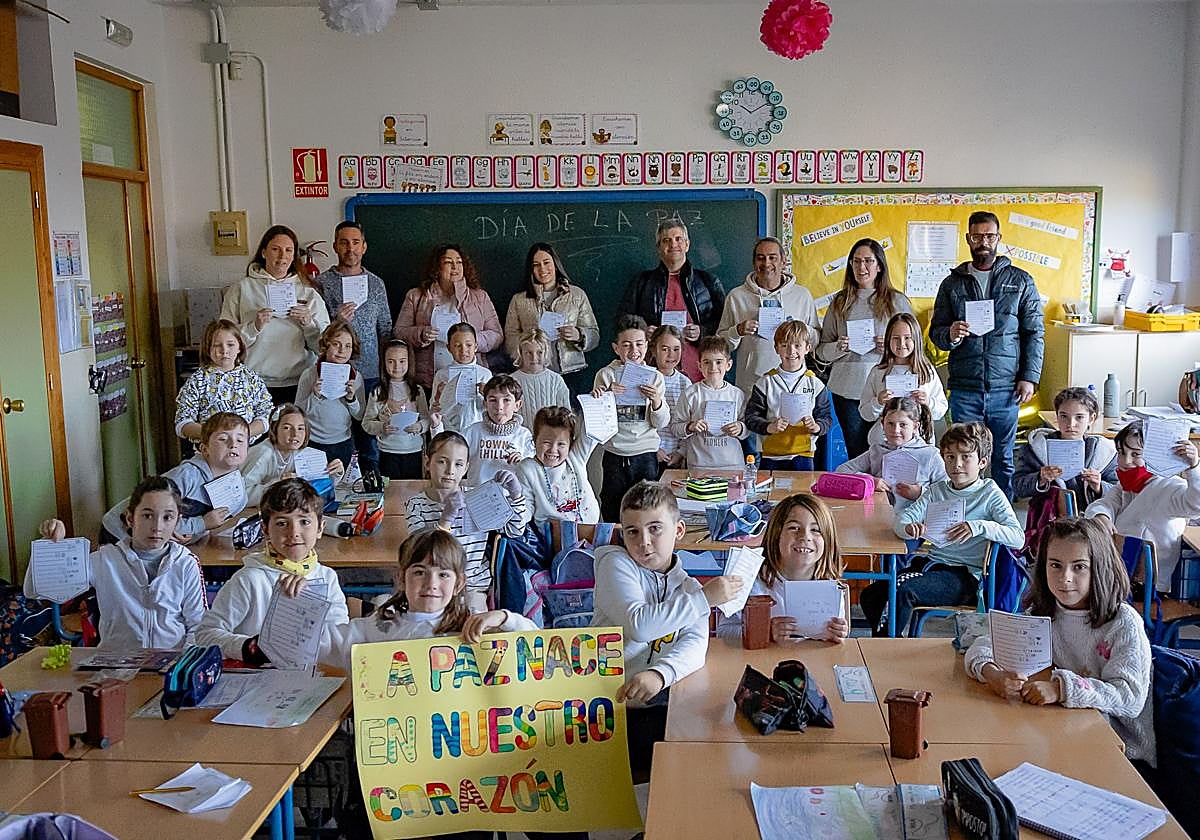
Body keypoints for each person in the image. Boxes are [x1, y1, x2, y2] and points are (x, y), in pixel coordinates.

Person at [964, 517, 1153, 766]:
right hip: (1063, 733)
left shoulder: (1122, 622)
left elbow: (1129, 698)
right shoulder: (1045, 613)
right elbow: (984, 644)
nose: (1065, 577)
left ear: (1100, 567)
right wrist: (993, 675)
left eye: (1079, 567)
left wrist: (1061, 689)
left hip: (1119, 750)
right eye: (1055, 565)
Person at [593, 480, 743, 783]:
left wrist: (660, 674)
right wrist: (705, 599)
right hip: (607, 709)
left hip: (658, 699)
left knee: (721, 730)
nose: (644, 542)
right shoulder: (615, 564)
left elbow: (695, 644)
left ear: (679, 530)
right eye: (632, 532)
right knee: (692, 751)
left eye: (655, 528)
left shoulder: (686, 586)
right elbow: (640, 625)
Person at [861, 422, 1023, 636]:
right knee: (871, 595)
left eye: (966, 457)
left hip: (966, 576)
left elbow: (1017, 537)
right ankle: (889, 639)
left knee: (902, 589)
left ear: (982, 462)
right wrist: (908, 529)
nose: (957, 465)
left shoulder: (990, 493)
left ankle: (885, 646)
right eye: (950, 457)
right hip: (931, 565)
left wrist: (978, 527)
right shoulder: (937, 490)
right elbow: (902, 519)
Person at [930, 211, 1045, 499]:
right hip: (964, 387)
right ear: (968, 239)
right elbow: (936, 333)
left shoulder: (1020, 281)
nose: (984, 242)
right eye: (978, 236)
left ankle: (1001, 525)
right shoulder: (952, 283)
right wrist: (951, 335)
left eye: (990, 236)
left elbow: (1034, 333)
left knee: (1003, 460)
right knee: (962, 460)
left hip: (1007, 388)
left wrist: (1029, 377)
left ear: (999, 239)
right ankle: (963, 518)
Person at [29, 477, 206, 650]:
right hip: (115, 663)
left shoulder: (186, 563)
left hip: (170, 664)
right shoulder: (104, 560)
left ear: (178, 521)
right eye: (147, 515)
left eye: (167, 517)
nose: (157, 526)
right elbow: (36, 590)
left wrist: (184, 665)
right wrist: (49, 544)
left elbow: (198, 625)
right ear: (130, 518)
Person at [321, 528, 535, 671]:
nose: (431, 583)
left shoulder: (470, 626)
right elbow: (323, 646)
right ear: (401, 578)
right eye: (419, 572)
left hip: (459, 734)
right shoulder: (380, 626)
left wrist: (503, 618)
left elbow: (537, 646)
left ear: (458, 584)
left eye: (443, 575)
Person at [196, 478, 350, 664]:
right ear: (265, 530)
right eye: (282, 523)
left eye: (304, 521)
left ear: (320, 528)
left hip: (311, 676)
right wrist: (249, 647)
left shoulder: (327, 577)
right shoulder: (250, 579)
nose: (294, 532)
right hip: (254, 680)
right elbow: (205, 635)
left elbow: (338, 636)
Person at [401, 431, 529, 613]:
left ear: (466, 467)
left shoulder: (476, 497)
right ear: (427, 462)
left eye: (458, 464)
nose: (450, 470)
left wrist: (516, 496)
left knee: (475, 623)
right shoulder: (416, 505)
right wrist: (445, 519)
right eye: (442, 461)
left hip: (472, 584)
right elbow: (420, 550)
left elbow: (515, 531)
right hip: (432, 584)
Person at [816, 238, 913, 459]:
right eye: (856, 261)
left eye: (868, 261)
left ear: (879, 266)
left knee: (891, 451)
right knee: (858, 453)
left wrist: (889, 347)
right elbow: (821, 351)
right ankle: (864, 493)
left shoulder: (896, 301)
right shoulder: (840, 302)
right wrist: (839, 347)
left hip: (887, 390)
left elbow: (912, 347)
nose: (862, 267)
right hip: (847, 390)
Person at [315, 221, 394, 477]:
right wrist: (334, 319)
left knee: (368, 440)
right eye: (344, 242)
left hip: (369, 373)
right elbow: (313, 329)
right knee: (333, 438)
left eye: (356, 242)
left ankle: (371, 490)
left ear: (364, 246)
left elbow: (385, 328)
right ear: (335, 246)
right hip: (331, 372)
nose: (351, 248)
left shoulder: (376, 283)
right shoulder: (322, 283)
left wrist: (386, 372)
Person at [715, 493, 849, 643]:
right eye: (794, 528)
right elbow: (723, 631)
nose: (805, 536)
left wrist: (839, 633)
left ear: (828, 540)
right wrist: (765, 632)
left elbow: (834, 642)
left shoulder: (829, 585)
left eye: (816, 530)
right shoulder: (749, 581)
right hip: (761, 663)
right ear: (776, 534)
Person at [220, 225, 331, 405]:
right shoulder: (241, 289)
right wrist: (253, 327)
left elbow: (324, 348)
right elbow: (223, 342)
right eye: (275, 249)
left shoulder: (308, 292)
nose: (282, 257)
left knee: (292, 432)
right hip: (253, 383)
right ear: (264, 252)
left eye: (288, 250)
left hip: (299, 383)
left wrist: (308, 324)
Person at [1084, 419, 1200, 590]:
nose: (1125, 461)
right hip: (1118, 573)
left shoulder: (1170, 487)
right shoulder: (1127, 484)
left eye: (1136, 454)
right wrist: (1102, 516)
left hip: (1145, 586)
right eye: (1121, 452)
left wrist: (1194, 467)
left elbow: (1195, 505)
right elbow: (1105, 503)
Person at [101, 412, 249, 544]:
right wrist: (200, 524)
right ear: (204, 449)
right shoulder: (187, 475)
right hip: (121, 533)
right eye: (223, 439)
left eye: (240, 440)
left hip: (158, 539)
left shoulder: (238, 492)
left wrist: (194, 531)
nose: (233, 444)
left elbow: (203, 526)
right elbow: (153, 515)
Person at [622, 220, 726, 381]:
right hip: (653, 368)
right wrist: (643, 330)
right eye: (666, 240)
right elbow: (623, 319)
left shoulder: (708, 281)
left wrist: (702, 331)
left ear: (687, 244)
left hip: (700, 370)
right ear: (658, 248)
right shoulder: (641, 282)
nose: (673, 244)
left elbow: (725, 323)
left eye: (678, 239)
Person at [717, 236, 819, 397]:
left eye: (773, 258)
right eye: (760, 258)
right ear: (754, 263)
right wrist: (737, 331)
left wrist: (800, 328)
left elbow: (815, 340)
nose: (766, 264)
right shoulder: (736, 296)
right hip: (751, 384)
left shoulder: (802, 295)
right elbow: (721, 345)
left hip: (792, 383)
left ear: (783, 262)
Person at [591, 314, 669, 522]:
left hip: (645, 453)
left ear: (647, 345)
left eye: (639, 344)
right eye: (626, 345)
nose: (634, 351)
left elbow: (661, 423)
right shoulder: (606, 375)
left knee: (649, 510)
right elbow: (597, 424)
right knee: (612, 507)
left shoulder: (655, 376)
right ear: (616, 348)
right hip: (615, 453)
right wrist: (605, 396)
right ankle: (613, 551)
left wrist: (656, 401)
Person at [394, 244, 502, 391]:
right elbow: (399, 332)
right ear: (437, 268)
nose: (455, 267)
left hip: (471, 381)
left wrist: (471, 339)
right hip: (427, 380)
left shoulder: (480, 297)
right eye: (448, 262)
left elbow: (497, 335)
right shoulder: (416, 296)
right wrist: (421, 334)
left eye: (459, 262)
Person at [503, 242, 599, 394]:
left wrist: (579, 335)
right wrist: (527, 355)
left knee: (569, 416)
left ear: (555, 264)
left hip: (571, 372)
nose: (542, 269)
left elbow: (594, 333)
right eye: (536, 265)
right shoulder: (519, 300)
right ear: (531, 269)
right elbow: (510, 337)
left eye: (546, 262)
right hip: (532, 373)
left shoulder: (576, 295)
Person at [837, 396, 947, 515]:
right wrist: (871, 481)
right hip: (878, 516)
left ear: (915, 426)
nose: (895, 430)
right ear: (882, 424)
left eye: (903, 425)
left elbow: (947, 491)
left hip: (916, 521)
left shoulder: (930, 454)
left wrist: (920, 493)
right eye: (890, 423)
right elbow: (842, 470)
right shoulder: (877, 450)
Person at [745, 320, 832, 471]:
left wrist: (816, 426)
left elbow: (826, 418)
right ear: (776, 348)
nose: (791, 351)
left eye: (797, 345)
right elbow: (751, 417)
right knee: (772, 494)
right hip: (771, 455)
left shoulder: (815, 384)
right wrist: (769, 427)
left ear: (807, 348)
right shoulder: (765, 382)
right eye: (784, 345)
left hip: (804, 455)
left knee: (801, 493)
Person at [1013, 386, 1117, 507]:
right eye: (1064, 416)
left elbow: (1120, 492)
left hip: (1090, 520)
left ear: (1091, 418)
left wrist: (1099, 486)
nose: (1071, 424)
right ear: (1057, 416)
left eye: (1079, 417)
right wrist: (1040, 478)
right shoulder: (1037, 448)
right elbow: (1018, 487)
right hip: (1049, 520)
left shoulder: (1103, 452)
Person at [174, 319, 271, 443]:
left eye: (230, 345)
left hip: (247, 450)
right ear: (207, 349)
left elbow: (265, 415)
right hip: (209, 451)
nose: (224, 350)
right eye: (216, 345)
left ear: (239, 347)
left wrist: (242, 435)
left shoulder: (251, 379)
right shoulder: (197, 381)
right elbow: (182, 423)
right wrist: (213, 434)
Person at [859, 312, 947, 446]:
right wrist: (878, 402)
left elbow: (941, 409)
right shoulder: (878, 372)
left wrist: (928, 402)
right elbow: (865, 413)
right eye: (895, 338)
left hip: (919, 443)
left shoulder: (926, 371)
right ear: (888, 339)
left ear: (916, 339)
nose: (902, 343)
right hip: (884, 443)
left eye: (907, 338)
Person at [295, 322, 366, 472]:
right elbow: (298, 413)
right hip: (313, 442)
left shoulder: (356, 377)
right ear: (326, 345)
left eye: (348, 346)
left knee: (343, 486)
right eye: (336, 344)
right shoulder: (310, 375)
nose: (342, 350)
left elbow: (360, 415)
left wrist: (351, 398)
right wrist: (315, 395)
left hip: (343, 442)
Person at [241, 404, 344, 507]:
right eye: (287, 428)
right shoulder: (263, 453)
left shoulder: (302, 454)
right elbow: (243, 497)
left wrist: (334, 474)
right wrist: (278, 484)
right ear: (274, 429)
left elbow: (316, 486)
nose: (295, 434)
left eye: (300, 428)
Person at [671, 336, 749, 470]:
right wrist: (690, 426)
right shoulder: (691, 393)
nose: (713, 367)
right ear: (700, 365)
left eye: (719, 362)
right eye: (707, 362)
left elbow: (748, 427)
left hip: (732, 464)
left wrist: (740, 428)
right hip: (699, 465)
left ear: (728, 365)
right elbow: (675, 428)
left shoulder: (737, 394)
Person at [516, 406, 600, 525]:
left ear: (570, 444)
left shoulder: (575, 457)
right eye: (546, 443)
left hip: (591, 530)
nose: (553, 450)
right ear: (535, 440)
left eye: (561, 444)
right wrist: (516, 514)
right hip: (554, 538)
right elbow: (526, 507)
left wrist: (596, 401)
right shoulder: (528, 468)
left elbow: (591, 432)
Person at [361, 339, 429, 480]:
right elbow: (366, 423)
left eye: (402, 361)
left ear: (409, 362)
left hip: (413, 451)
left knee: (412, 490)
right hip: (388, 452)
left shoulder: (417, 390)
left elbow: (427, 419)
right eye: (391, 361)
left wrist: (420, 426)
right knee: (391, 492)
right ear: (383, 363)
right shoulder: (378, 391)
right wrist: (382, 427)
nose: (397, 366)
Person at [459, 375, 535, 486]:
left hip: (511, 498)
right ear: (485, 404)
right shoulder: (472, 432)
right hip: (478, 497)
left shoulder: (524, 435)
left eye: (506, 400)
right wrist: (436, 426)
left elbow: (533, 474)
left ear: (517, 405)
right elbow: (450, 453)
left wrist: (522, 464)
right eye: (493, 400)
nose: (499, 407)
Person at [429, 323, 492, 435]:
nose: (463, 350)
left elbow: (492, 409)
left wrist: (487, 395)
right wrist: (439, 397)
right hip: (449, 431)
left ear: (476, 347)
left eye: (468, 345)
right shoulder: (442, 375)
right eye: (457, 345)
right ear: (449, 348)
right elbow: (434, 408)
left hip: (478, 431)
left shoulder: (485, 374)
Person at [510, 329, 570, 429]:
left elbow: (565, 414)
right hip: (520, 438)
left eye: (539, 352)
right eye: (529, 353)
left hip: (550, 437)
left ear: (546, 353)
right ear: (520, 353)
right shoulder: (512, 380)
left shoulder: (556, 380)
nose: (534, 358)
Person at [649, 324, 689, 471]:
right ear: (653, 350)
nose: (671, 355)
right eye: (665, 349)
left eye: (676, 349)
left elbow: (688, 421)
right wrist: (654, 449)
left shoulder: (685, 383)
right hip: (650, 453)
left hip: (676, 455)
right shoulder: (647, 378)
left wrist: (680, 452)